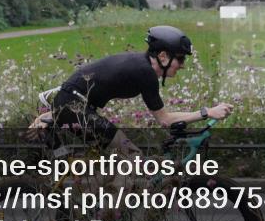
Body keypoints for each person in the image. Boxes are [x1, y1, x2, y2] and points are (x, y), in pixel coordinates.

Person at [29, 25, 233, 153]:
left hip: (73, 104)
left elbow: (78, 88)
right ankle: (109, 217)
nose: (182, 65)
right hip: (74, 106)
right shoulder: (145, 72)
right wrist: (207, 112)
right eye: (179, 58)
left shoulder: (141, 66)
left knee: (120, 163)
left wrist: (55, 113)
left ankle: (103, 210)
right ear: (163, 56)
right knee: (132, 157)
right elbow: (165, 120)